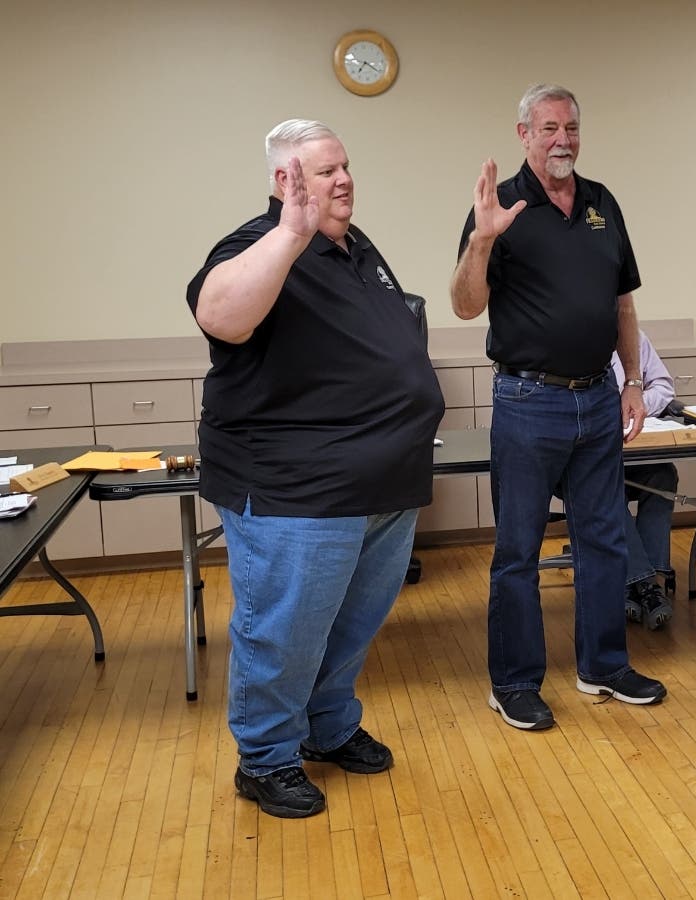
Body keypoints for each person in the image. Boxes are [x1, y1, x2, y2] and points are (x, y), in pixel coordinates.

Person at [186, 119, 444, 818]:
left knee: (350, 625)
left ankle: (326, 726)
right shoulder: (257, 243)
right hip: (298, 489)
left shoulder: (356, 248)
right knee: (285, 630)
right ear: (284, 181)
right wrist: (290, 235)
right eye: (326, 171)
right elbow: (220, 316)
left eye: (345, 166)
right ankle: (267, 758)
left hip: (383, 483)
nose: (344, 180)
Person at [450, 83, 667, 732]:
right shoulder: (501, 205)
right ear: (524, 135)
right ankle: (514, 683)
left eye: (570, 127)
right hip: (527, 400)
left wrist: (633, 382)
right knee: (518, 549)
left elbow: (623, 303)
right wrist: (482, 241)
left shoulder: (602, 202)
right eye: (548, 128)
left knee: (604, 541)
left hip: (598, 398)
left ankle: (604, 665)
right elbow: (465, 304)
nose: (562, 140)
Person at [612, 330, 678, 630]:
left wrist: (634, 405)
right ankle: (647, 585)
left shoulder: (632, 337)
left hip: (634, 446)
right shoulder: (567, 336)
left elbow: (664, 387)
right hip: (585, 457)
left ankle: (635, 584)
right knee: (605, 486)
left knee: (663, 475)